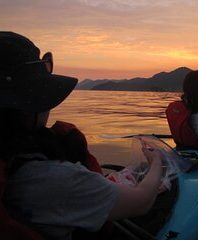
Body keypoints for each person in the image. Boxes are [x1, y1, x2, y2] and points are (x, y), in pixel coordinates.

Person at [0, 32, 163, 240]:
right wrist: (156, 160)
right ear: (25, 109)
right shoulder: (50, 178)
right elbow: (142, 202)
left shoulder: (12, 162)